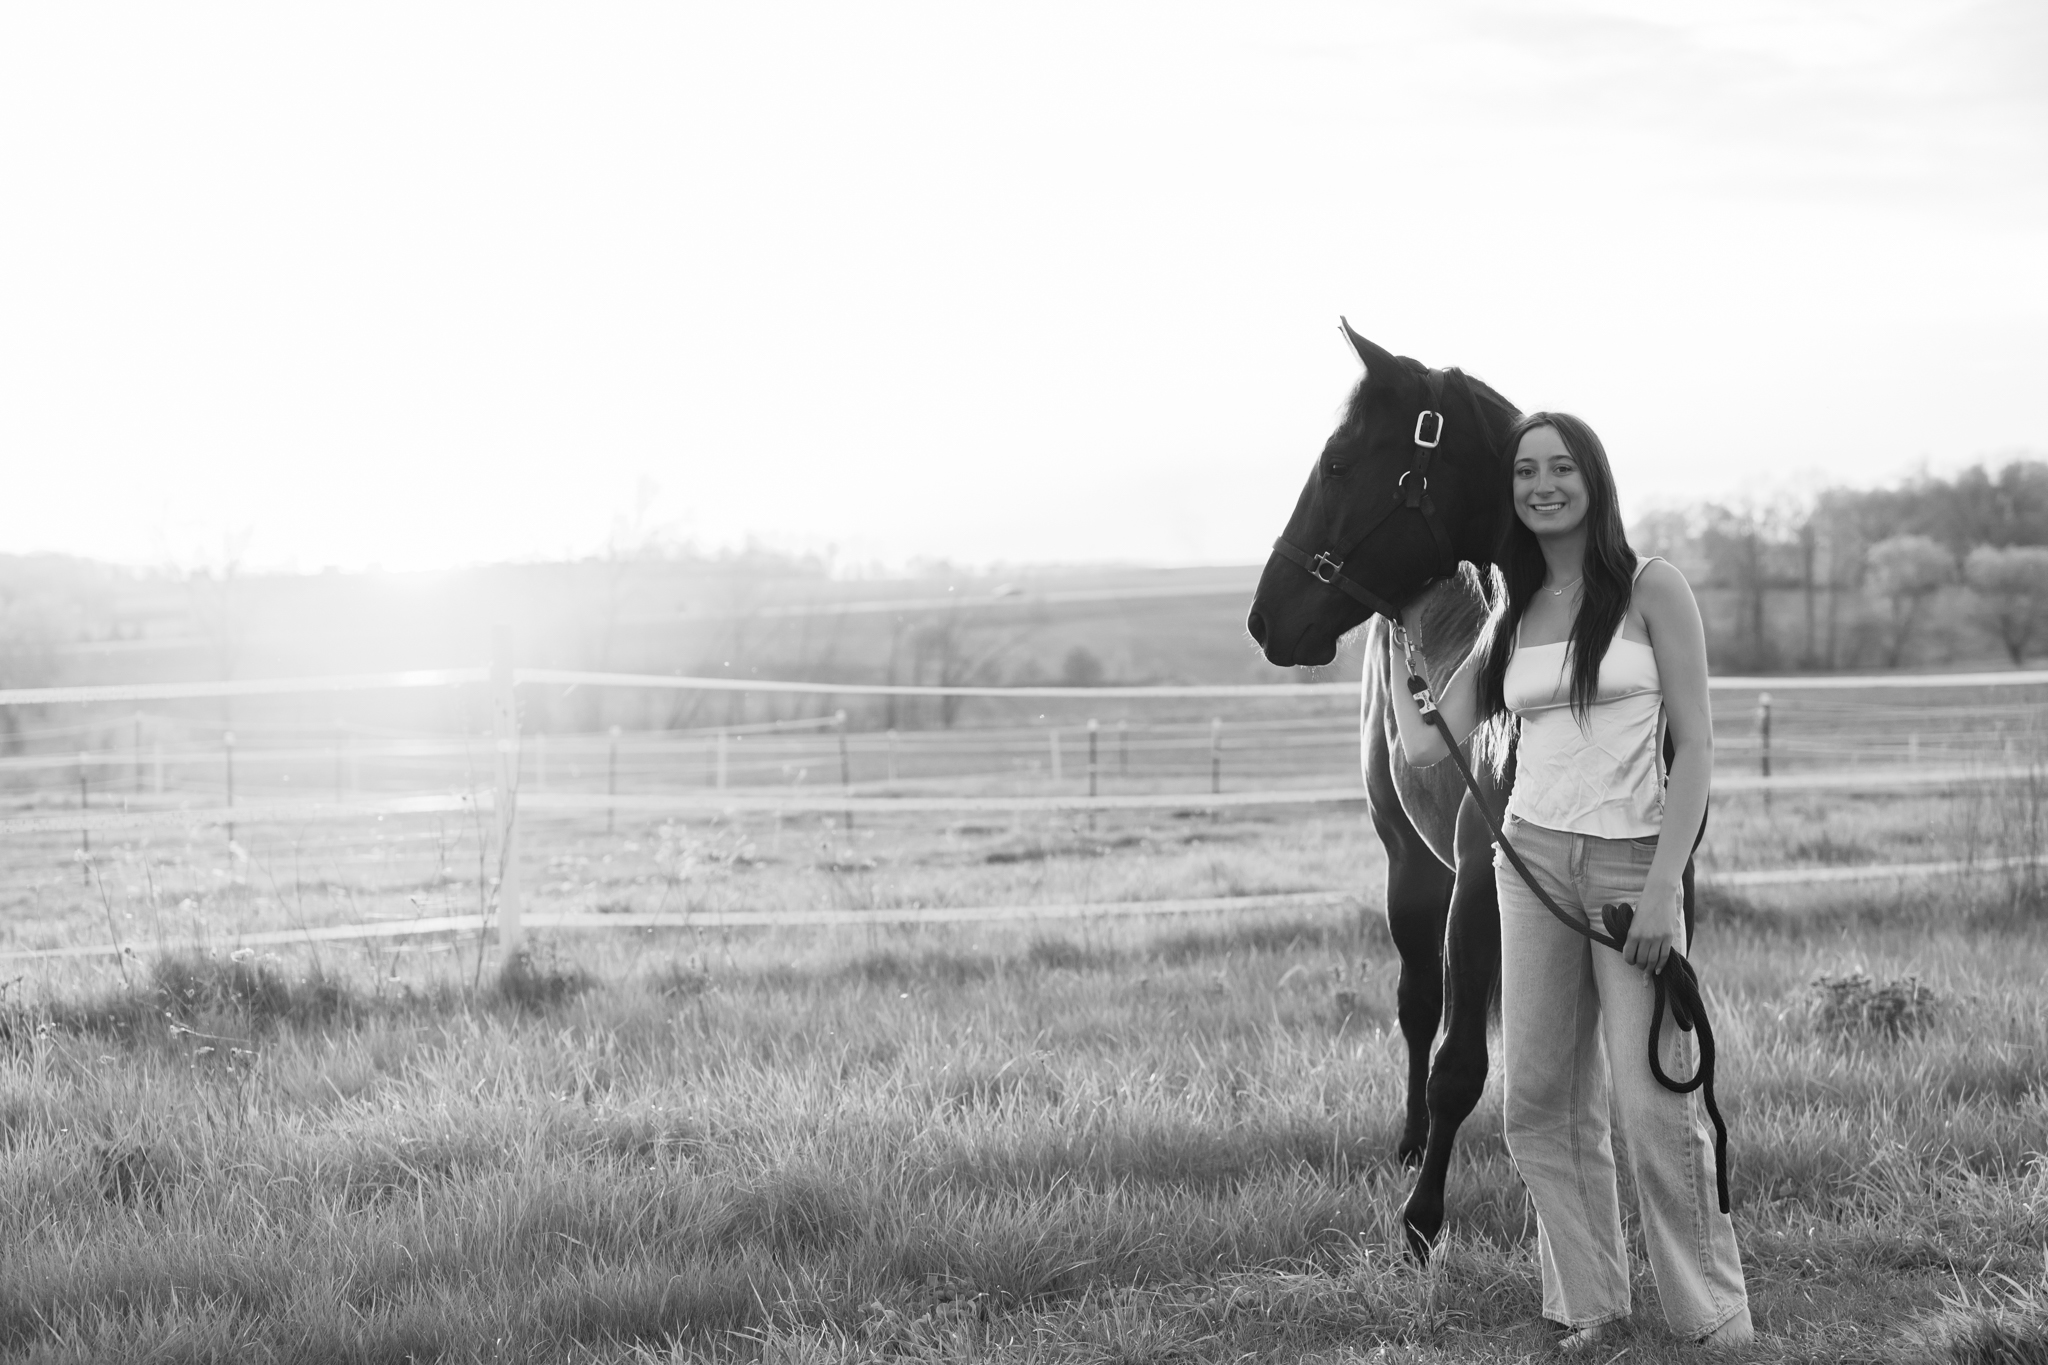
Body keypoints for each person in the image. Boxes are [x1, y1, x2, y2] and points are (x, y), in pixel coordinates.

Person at [1386, 412, 1754, 1351]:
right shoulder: (1512, 615)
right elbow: (1427, 741)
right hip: (1531, 864)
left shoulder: (1649, 588)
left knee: (1652, 1102)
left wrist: (1668, 885)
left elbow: (1700, 747)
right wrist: (1397, 635)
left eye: (1560, 466)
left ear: (1593, 478)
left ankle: (1712, 1318)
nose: (1542, 483)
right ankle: (1593, 1306)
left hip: (1633, 867)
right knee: (1540, 1102)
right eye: (1525, 471)